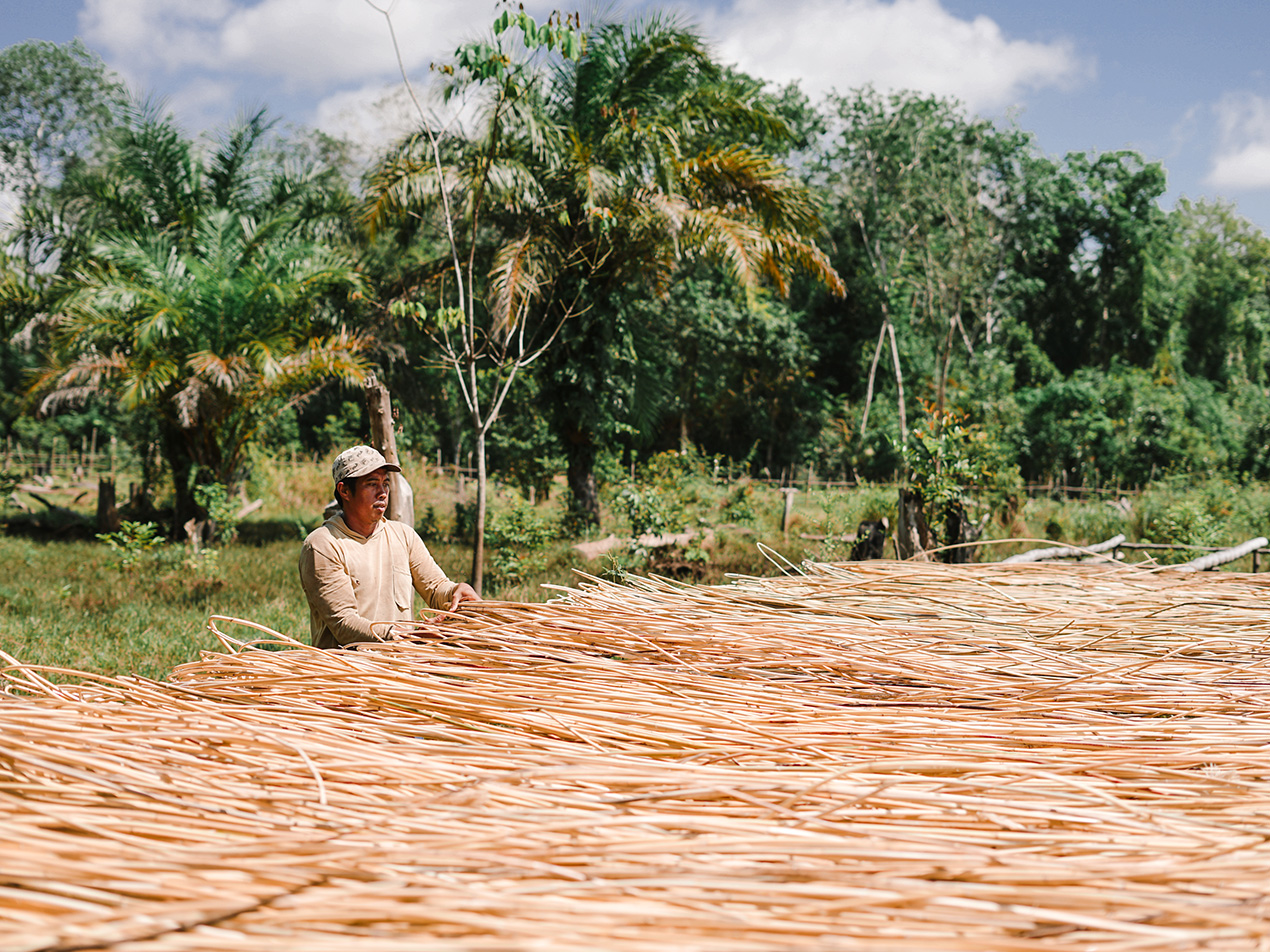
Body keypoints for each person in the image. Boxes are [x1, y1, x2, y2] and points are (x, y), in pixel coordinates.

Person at [299, 445, 480, 648]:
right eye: (371, 484)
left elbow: (436, 588)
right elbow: (344, 624)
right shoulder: (323, 545)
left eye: (385, 483)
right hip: (350, 673)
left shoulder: (403, 536)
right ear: (345, 491)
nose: (383, 493)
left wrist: (456, 591)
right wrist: (405, 637)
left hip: (400, 666)